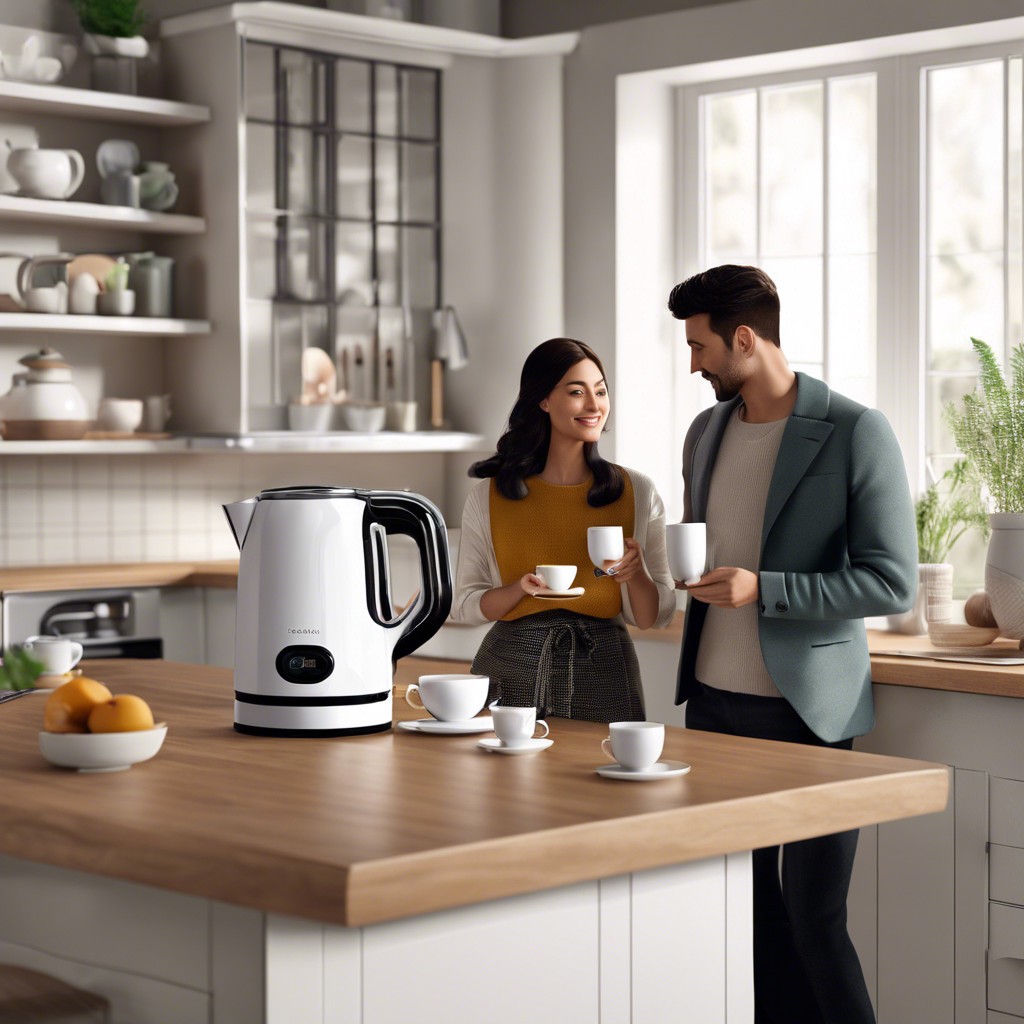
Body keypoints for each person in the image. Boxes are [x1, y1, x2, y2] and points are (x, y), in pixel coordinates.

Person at [668, 265, 916, 1024]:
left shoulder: (854, 429)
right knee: (741, 920)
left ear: (746, 339)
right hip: (711, 709)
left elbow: (891, 582)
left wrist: (764, 588)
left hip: (804, 715)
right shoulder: (705, 431)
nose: (693, 364)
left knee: (814, 921)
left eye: (701, 346)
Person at [451, 337, 676, 722]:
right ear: (543, 400)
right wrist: (517, 590)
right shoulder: (488, 497)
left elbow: (652, 616)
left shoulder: (636, 491)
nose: (594, 405)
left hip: (606, 669)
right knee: (504, 781)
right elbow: (466, 605)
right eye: (576, 392)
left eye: (601, 391)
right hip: (509, 667)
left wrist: (635, 574)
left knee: (604, 777)